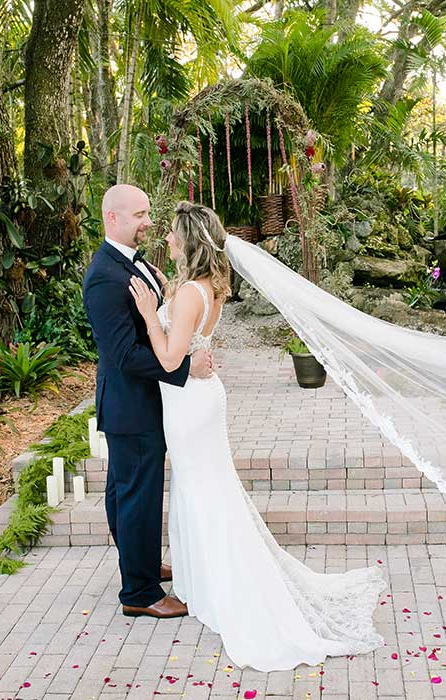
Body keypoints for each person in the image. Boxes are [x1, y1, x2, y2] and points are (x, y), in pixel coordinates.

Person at [128, 201, 386, 672]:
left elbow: (168, 360)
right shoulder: (206, 288)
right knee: (203, 487)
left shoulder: (189, 294)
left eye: (171, 233)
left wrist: (150, 313)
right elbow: (192, 342)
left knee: (203, 490)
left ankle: (221, 584)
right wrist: (167, 297)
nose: (165, 239)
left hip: (188, 404)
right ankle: (199, 579)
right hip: (199, 398)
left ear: (187, 239)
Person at [82, 184, 214, 619]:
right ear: (112, 219)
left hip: (134, 402)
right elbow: (122, 354)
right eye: (140, 214)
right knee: (137, 495)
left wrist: (159, 291)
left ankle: (137, 563)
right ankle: (140, 593)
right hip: (131, 402)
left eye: (148, 213)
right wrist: (184, 369)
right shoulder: (104, 275)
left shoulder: (132, 266)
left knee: (123, 493)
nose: (148, 221)